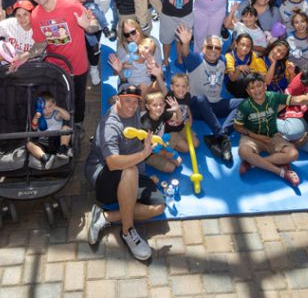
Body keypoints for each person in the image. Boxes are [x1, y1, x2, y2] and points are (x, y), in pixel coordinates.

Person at [84, 84, 165, 261]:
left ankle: (105, 216)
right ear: (118, 100)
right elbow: (113, 164)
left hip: (133, 168)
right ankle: (128, 231)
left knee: (159, 207)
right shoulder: (110, 126)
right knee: (129, 170)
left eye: (135, 102)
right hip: (102, 175)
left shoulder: (134, 109)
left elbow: (150, 97)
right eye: (126, 101)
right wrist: (144, 154)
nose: (131, 106)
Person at [26, 0, 98, 124]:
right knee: (57, 100)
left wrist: (87, 26)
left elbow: (94, 25)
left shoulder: (71, 5)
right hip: (55, 67)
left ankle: (78, 126)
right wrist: (25, 56)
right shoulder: (35, 15)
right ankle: (60, 130)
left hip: (78, 66)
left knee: (78, 100)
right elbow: (40, 44)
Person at [173, 27, 234, 162]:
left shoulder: (223, 60)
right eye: (210, 47)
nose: (213, 50)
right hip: (197, 107)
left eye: (217, 48)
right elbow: (186, 54)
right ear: (203, 49)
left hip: (215, 104)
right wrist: (185, 43)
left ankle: (218, 135)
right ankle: (223, 138)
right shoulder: (196, 60)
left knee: (243, 103)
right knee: (201, 99)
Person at [27, 91, 73, 169]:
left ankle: (63, 149)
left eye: (50, 106)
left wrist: (56, 108)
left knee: (66, 128)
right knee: (29, 144)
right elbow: (34, 127)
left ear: (54, 104)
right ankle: (45, 158)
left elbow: (68, 117)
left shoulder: (57, 114)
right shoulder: (39, 117)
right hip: (43, 142)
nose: (47, 109)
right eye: (44, 108)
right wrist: (36, 117)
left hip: (57, 141)